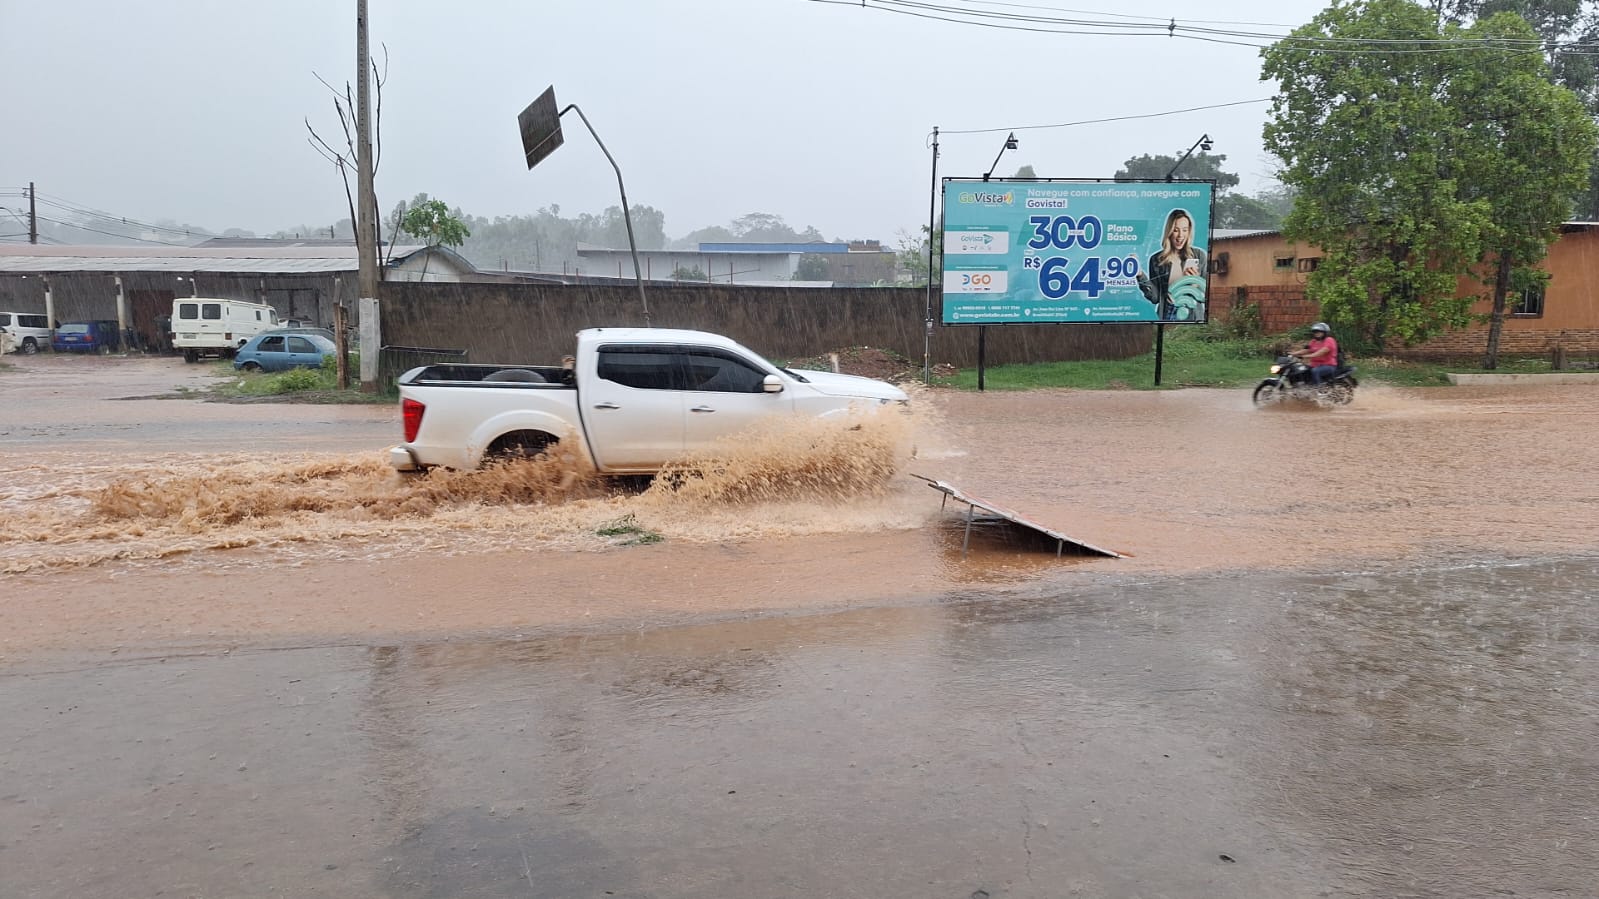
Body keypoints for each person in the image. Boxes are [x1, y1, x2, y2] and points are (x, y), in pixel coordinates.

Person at [1137, 208, 1209, 321]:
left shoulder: (1199, 256)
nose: (1180, 235)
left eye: (1185, 230)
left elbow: (1206, 296)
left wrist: (1194, 285)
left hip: (1191, 315)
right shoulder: (1157, 259)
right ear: (1169, 232)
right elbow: (1155, 298)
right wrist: (1140, 275)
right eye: (1176, 230)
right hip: (1168, 313)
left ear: (1189, 231)